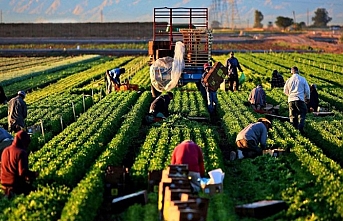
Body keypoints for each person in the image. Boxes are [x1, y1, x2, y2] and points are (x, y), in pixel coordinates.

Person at [1, 130, 39, 198]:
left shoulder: (5, 150)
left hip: (4, 185)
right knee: (36, 191)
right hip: (15, 185)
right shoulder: (21, 153)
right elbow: (22, 172)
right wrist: (34, 174)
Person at [284, 66, 310, 134]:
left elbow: (285, 91)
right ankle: (300, 129)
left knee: (292, 116)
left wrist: (290, 95)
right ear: (298, 71)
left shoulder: (288, 80)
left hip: (291, 100)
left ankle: (294, 130)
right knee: (302, 113)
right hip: (299, 99)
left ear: (291, 72)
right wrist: (307, 98)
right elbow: (307, 90)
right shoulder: (302, 79)